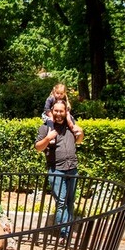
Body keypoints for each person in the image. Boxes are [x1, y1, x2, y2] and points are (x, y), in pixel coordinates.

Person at [35, 99, 84, 237]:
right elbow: (38, 147)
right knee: (61, 201)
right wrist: (47, 138)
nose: (58, 114)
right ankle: (64, 233)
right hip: (56, 169)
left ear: (66, 112)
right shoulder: (46, 128)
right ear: (51, 112)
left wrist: (80, 132)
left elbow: (79, 140)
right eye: (56, 111)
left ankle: (67, 230)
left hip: (72, 168)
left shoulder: (71, 126)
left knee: (70, 200)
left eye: (61, 111)